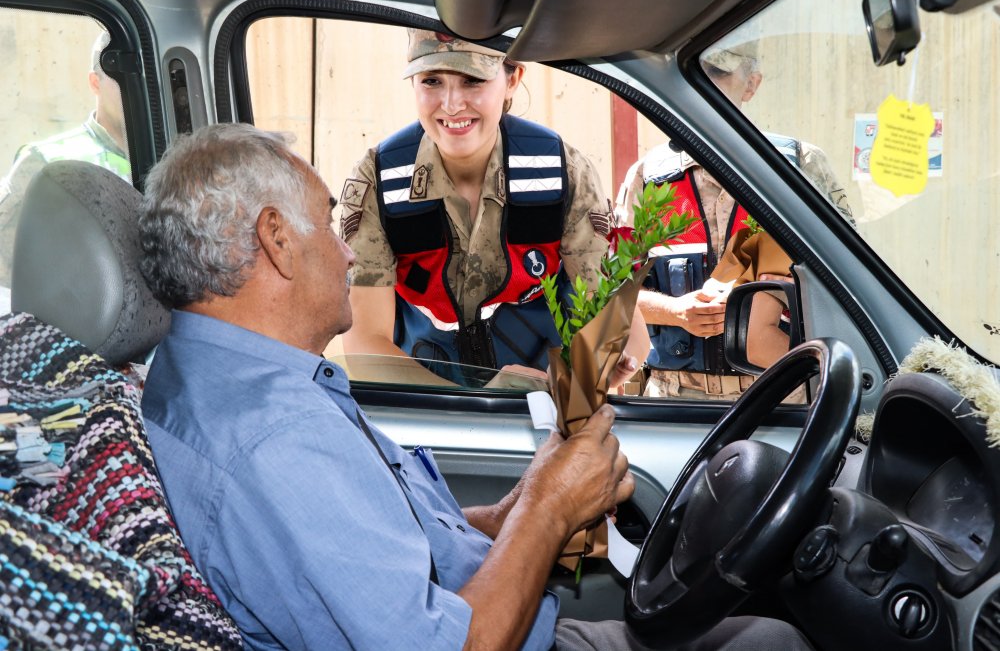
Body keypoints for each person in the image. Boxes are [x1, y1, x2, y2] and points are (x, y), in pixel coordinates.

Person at [138, 123, 813, 651]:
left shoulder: (222, 380)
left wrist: (520, 506)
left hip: (492, 613)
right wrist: (548, 511)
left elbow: (374, 542)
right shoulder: (271, 440)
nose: (349, 253)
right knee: (777, 638)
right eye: (326, 224)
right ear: (277, 240)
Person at [338, 29, 645, 386]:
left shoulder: (562, 172)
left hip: (543, 405)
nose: (451, 104)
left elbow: (620, 324)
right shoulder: (379, 180)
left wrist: (594, 370)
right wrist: (477, 404)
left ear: (512, 80)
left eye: (473, 80)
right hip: (422, 409)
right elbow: (364, 345)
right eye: (432, 81)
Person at [615, 41, 851, 400]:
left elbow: (850, 284)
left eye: (718, 73)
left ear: (752, 84)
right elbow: (612, 294)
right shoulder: (648, 177)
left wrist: (788, 290)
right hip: (673, 401)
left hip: (778, 398)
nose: (702, 86)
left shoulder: (799, 168)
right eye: (691, 74)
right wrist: (676, 311)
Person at [0, 30, 130, 292]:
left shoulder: (171, 154)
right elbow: (6, 271)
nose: (131, 92)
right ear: (95, 83)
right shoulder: (44, 162)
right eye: (120, 82)